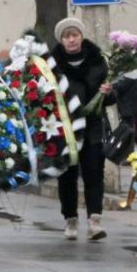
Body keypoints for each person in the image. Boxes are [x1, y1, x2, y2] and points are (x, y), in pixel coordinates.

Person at [51, 17, 113, 242]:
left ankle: (94, 221)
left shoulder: (98, 61)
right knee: (66, 174)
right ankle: (70, 219)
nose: (71, 40)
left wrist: (108, 92)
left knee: (94, 172)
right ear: (61, 40)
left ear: (81, 36)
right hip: (65, 128)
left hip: (92, 126)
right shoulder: (52, 64)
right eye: (67, 36)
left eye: (74, 35)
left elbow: (110, 97)